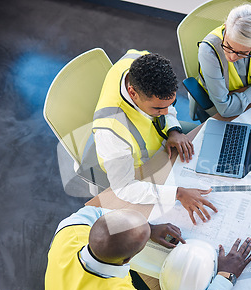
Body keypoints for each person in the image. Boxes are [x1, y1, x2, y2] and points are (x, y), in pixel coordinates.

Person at [44, 206, 251, 290]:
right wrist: (225, 277)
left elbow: (95, 212)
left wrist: (148, 228)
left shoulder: (68, 230)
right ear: (128, 258)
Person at [92, 50, 217, 224]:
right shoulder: (111, 131)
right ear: (133, 92)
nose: (166, 112)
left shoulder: (140, 60)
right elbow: (124, 188)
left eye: (170, 104)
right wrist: (177, 193)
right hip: (140, 169)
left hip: (163, 144)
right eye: (158, 109)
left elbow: (167, 111)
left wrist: (173, 128)